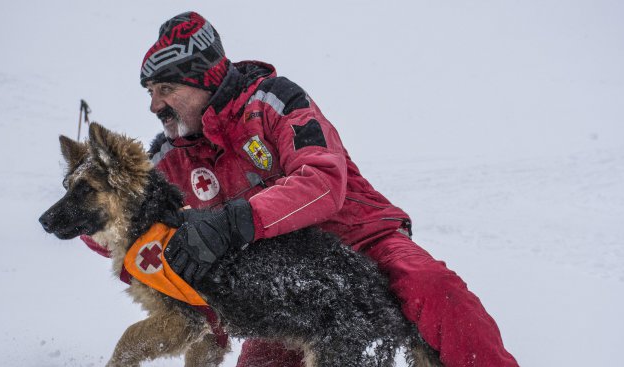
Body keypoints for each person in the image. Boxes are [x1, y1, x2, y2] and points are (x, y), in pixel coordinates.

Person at [132, 11, 518, 366]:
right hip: (290, 280)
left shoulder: (271, 101)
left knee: (434, 288)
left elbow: (322, 180)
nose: (155, 105)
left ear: (205, 79)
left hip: (363, 240)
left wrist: (233, 222)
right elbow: (120, 209)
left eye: (166, 88)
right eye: (150, 91)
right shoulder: (170, 158)